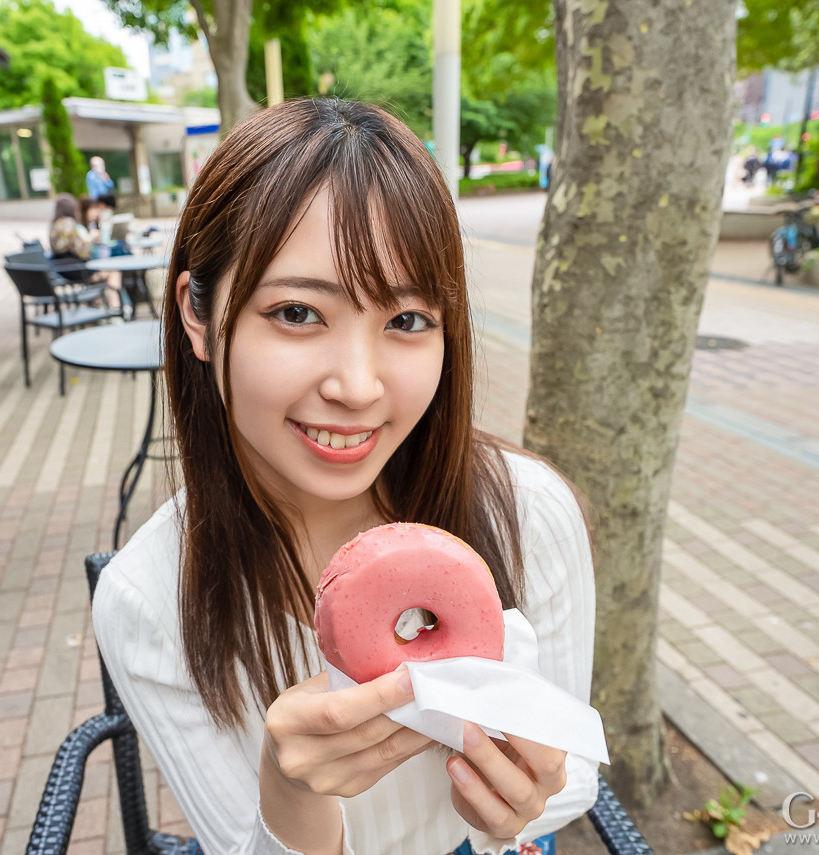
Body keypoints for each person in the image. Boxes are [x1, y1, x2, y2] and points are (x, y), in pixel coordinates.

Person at [92, 99, 598, 855]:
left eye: (406, 321)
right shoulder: (148, 599)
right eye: (297, 312)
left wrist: (526, 801)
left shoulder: (528, 513)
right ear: (198, 317)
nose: (357, 387)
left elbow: (578, 772)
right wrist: (291, 795)